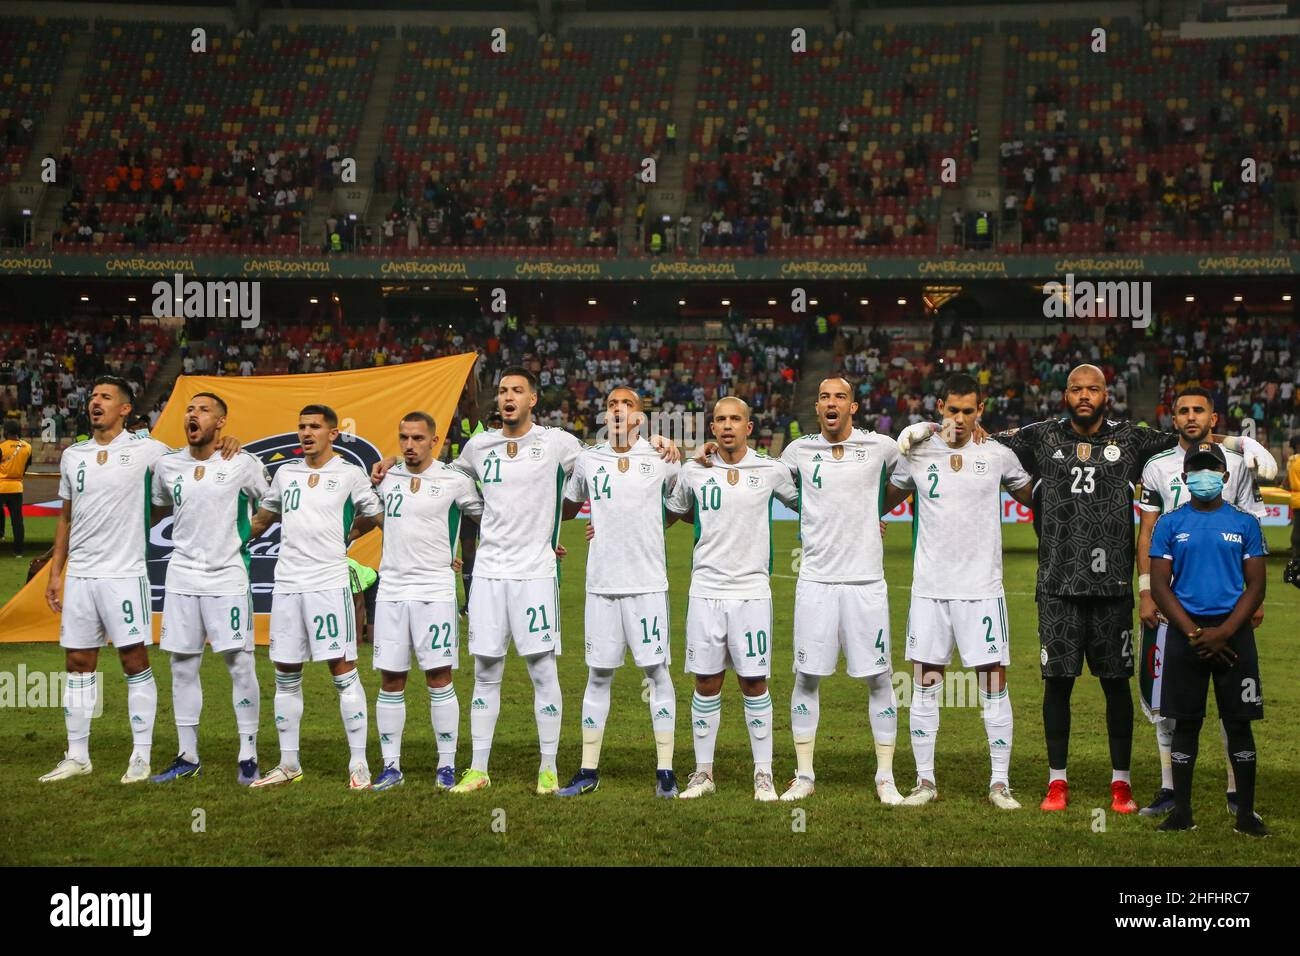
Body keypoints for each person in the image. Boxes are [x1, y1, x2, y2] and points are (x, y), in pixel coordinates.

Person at [897, 364, 1273, 813]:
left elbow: (1185, 437)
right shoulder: (1040, 436)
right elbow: (980, 432)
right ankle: (1057, 782)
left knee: (1116, 686)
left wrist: (1237, 442)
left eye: (1093, 388)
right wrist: (926, 428)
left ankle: (1122, 783)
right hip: (1057, 584)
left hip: (1113, 587)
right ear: (1066, 394)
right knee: (1057, 685)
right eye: (1076, 388)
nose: (1084, 395)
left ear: (1105, 395)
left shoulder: (1132, 438)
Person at [40, 377, 240, 784]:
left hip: (125, 574)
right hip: (81, 574)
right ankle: (77, 755)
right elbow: (66, 515)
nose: (96, 402)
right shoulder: (73, 455)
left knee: (134, 661)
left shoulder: (149, 452)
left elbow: (192, 461)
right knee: (78, 662)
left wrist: (226, 442)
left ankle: (140, 755)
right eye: (93, 396)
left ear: (125, 409)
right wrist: (56, 572)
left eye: (105, 398)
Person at [886, 374, 1033, 809]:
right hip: (930, 590)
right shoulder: (916, 454)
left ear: (981, 410)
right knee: (926, 684)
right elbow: (879, 498)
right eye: (953, 410)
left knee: (992, 682)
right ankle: (925, 781)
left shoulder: (998, 455)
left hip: (982, 591)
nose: (961, 418)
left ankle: (1000, 782)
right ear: (940, 408)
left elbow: (1039, 500)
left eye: (969, 411)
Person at [1135, 386, 1268, 817]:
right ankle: (1170, 790)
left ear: (1213, 417)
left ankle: (1236, 795)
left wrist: (1252, 606)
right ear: (1173, 419)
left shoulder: (1237, 465)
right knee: (1168, 704)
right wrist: (1144, 591)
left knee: (1235, 710)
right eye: (1182, 411)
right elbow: (1146, 534)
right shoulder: (1157, 467)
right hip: (1172, 602)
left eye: (1199, 410)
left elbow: (1253, 526)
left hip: (1230, 605)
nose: (1191, 416)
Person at [773, 378, 907, 803]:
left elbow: (908, 476)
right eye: (825, 397)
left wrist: (875, 511)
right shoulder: (797, 451)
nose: (832, 403)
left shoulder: (881, 447)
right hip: (816, 582)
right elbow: (768, 480)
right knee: (807, 676)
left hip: (866, 583)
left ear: (854, 406)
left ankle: (885, 776)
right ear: (817, 408)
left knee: (879, 678)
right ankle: (804, 774)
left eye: (840, 397)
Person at [666, 397, 799, 801]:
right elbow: (670, 513)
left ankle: (764, 775)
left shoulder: (771, 470)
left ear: (749, 426)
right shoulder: (694, 471)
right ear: (713, 427)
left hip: (751, 593)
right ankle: (703, 773)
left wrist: (869, 521)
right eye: (720, 419)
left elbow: (812, 506)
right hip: (705, 590)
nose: (727, 426)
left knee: (753, 682)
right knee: (706, 681)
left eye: (735, 419)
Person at [247, 405, 384, 790]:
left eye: (315, 427)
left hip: (328, 584)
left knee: (342, 670)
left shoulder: (350, 474)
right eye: (302, 427)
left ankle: (358, 764)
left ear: (333, 434)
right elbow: (261, 520)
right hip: (288, 584)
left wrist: (352, 536)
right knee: (285, 673)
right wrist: (229, 542)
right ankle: (288, 763)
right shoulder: (285, 473)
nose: (306, 433)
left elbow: (376, 517)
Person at [556, 388, 681, 798]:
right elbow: (568, 506)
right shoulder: (588, 460)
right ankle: (588, 769)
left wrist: (647, 529)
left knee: (657, 672)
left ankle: (665, 770)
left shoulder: (662, 459)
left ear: (641, 419)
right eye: (611, 405)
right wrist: (550, 538)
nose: (617, 410)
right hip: (602, 585)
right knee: (598, 674)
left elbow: (689, 501)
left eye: (626, 405)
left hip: (647, 585)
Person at [148, 393, 268, 785]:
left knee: (240, 663)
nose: (192, 415)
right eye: (189, 409)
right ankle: (187, 755)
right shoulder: (168, 466)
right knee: (181, 664)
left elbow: (271, 501)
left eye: (203, 410)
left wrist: (245, 534)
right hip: (181, 576)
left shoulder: (242, 463)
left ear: (221, 422)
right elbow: (161, 504)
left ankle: (248, 753)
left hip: (227, 576)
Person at [366, 412, 482, 792]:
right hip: (392, 592)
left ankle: (446, 766)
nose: (409, 445)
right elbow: (375, 516)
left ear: (434, 441)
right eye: (403, 438)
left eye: (418, 438)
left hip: (434, 591)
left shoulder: (454, 481)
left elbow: (492, 519)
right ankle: (391, 766)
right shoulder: (388, 478)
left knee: (439, 676)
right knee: (391, 678)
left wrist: (542, 543)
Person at [0, 419, 32, 557]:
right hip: (17, 487)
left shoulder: (2, 447)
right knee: (17, 521)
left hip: (1, 487)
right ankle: (18, 551)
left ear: (5, 432)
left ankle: (1, 535)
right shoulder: (28, 447)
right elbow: (26, 466)